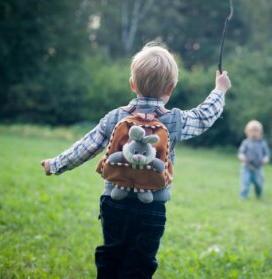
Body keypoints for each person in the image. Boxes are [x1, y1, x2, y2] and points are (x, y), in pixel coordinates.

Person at [40, 42, 231, 278]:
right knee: (140, 263)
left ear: (132, 84)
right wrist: (219, 90)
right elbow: (205, 116)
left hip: (114, 202)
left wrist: (56, 164)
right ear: (170, 88)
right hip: (152, 206)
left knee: (111, 255)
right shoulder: (176, 121)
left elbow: (86, 146)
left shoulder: (115, 117)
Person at [238, 120, 270, 200]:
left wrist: (265, 159)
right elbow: (241, 152)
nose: (254, 133)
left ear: (260, 133)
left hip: (258, 168)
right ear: (247, 132)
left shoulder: (262, 143)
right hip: (246, 167)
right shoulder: (245, 142)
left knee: (259, 184)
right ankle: (243, 197)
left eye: (256, 131)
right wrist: (242, 157)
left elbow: (267, 155)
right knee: (245, 183)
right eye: (251, 131)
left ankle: (259, 195)